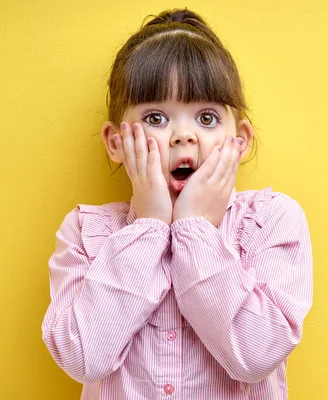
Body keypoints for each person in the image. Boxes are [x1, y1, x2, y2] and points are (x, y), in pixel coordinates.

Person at [41, 8, 313, 399]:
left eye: (206, 117)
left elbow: (255, 356)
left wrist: (195, 230)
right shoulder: (85, 232)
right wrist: (149, 227)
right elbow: (84, 358)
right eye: (155, 118)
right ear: (116, 141)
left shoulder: (272, 221)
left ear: (241, 140)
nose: (183, 135)